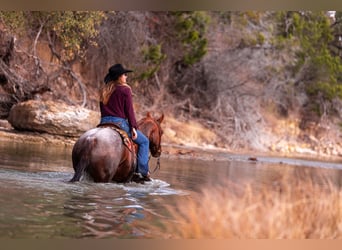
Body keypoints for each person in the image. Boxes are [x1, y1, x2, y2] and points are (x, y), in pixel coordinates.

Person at [99, 63, 151, 181]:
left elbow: (102, 110)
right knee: (144, 142)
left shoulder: (104, 90)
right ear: (119, 77)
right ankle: (142, 172)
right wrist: (133, 127)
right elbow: (129, 111)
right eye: (124, 75)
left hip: (103, 121)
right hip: (119, 123)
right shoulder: (125, 89)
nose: (126, 77)